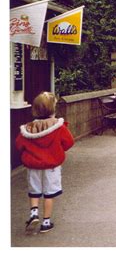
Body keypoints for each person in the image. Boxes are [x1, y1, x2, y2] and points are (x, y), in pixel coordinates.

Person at [15, 92, 74, 234]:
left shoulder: (28, 129)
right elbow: (69, 142)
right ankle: (46, 222)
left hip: (33, 166)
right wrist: (57, 150)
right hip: (52, 166)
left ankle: (33, 213)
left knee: (34, 190)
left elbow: (19, 145)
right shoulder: (58, 127)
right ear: (53, 109)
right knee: (49, 193)